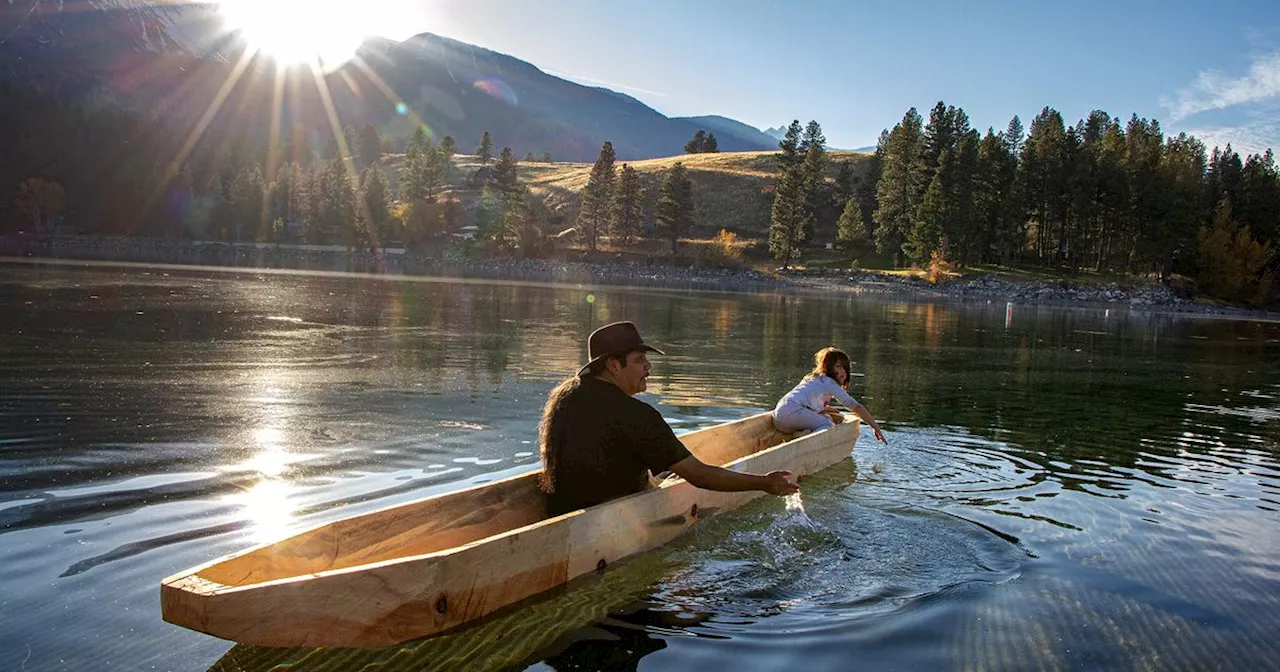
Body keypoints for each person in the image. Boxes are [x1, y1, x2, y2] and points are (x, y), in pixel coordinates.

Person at [539, 320, 800, 516]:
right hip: (613, 522)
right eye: (640, 360)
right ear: (613, 365)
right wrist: (764, 483)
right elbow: (699, 475)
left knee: (662, 474)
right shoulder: (637, 416)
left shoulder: (565, 398)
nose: (648, 368)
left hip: (565, 510)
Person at [772, 346, 888, 444]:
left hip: (779, 415)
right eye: (838, 366)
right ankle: (804, 443)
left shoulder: (813, 378)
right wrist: (875, 427)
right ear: (828, 367)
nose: (843, 371)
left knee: (827, 417)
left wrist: (825, 409)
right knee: (827, 424)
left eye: (844, 367)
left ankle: (801, 434)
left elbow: (806, 399)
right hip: (791, 413)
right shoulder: (830, 383)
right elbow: (855, 406)